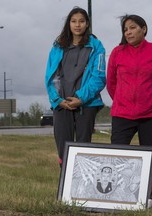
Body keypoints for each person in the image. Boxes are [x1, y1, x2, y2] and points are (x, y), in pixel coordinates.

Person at [106, 14, 152, 206]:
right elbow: (111, 84)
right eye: (125, 29)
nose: (128, 32)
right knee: (118, 155)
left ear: (144, 29)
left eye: (132, 27)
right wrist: (122, 100)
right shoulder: (117, 53)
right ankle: (119, 196)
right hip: (122, 114)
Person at [45, 7, 106, 166]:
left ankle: (81, 187)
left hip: (86, 104)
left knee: (83, 147)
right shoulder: (58, 46)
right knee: (63, 148)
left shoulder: (96, 46)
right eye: (74, 21)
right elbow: (49, 77)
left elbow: (99, 77)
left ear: (87, 24)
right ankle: (65, 187)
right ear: (69, 24)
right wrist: (57, 99)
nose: (77, 25)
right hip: (61, 104)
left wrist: (80, 98)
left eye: (81, 21)